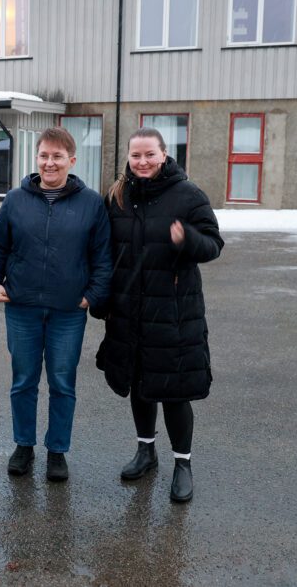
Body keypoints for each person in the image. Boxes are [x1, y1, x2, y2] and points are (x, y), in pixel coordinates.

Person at [95, 127, 224, 503]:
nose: (142, 161)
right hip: (129, 311)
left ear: (164, 155)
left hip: (173, 313)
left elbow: (213, 244)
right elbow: (105, 252)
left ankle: (183, 464)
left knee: (175, 391)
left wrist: (188, 239)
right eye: (136, 155)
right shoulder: (118, 196)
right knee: (139, 383)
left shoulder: (188, 194)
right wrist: (102, 299)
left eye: (150, 154)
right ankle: (145, 451)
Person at [0, 127, 111, 482]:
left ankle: (57, 451)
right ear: (36, 158)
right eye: (44, 155)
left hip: (68, 311)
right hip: (22, 307)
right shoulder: (15, 200)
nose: (49, 163)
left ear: (72, 160)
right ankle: (24, 445)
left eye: (57, 156)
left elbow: (103, 257)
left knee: (62, 382)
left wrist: (92, 295)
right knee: (23, 380)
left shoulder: (91, 203)